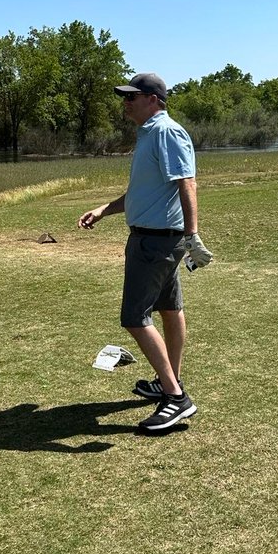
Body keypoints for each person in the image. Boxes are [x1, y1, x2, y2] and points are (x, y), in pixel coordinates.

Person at [77, 72, 213, 433]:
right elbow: (143, 193)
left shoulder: (166, 132)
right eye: (125, 97)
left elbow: (187, 182)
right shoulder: (150, 135)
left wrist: (192, 234)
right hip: (156, 240)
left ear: (153, 99)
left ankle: (175, 397)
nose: (126, 103)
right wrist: (104, 209)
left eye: (132, 97)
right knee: (170, 310)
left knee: (134, 318)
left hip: (155, 243)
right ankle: (169, 381)